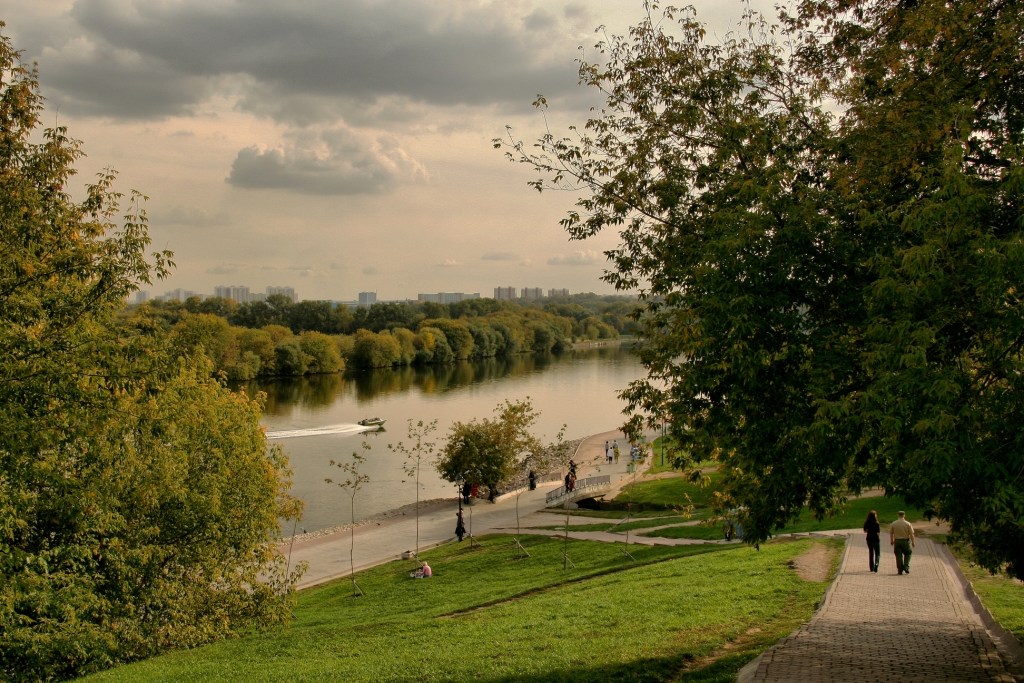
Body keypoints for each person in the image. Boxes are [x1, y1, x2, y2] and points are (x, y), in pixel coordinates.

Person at [890, 510, 916, 575]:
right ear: (904, 515)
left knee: (898, 556)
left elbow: (891, 533)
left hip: (897, 541)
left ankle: (900, 569)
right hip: (905, 541)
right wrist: (913, 542)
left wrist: (892, 540)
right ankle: (906, 566)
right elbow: (911, 534)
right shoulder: (908, 524)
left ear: (898, 515)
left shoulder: (893, 523)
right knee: (908, 553)